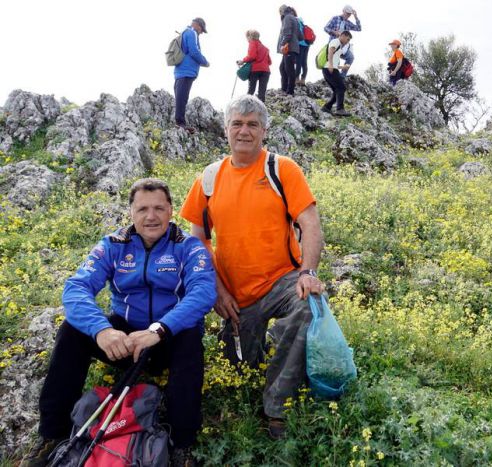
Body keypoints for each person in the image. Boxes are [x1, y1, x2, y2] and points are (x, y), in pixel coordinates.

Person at [20, 179, 217, 467]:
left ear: (171, 210)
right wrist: (102, 331)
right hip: (124, 339)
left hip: (166, 337)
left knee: (189, 340)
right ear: (131, 212)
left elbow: (203, 293)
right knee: (72, 331)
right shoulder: (113, 245)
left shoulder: (188, 247)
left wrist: (158, 330)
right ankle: (52, 434)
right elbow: (76, 288)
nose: (151, 216)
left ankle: (181, 443)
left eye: (159, 208)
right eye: (143, 209)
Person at [179, 95, 325, 440]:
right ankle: (268, 344)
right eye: (237, 124)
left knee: (308, 306)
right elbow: (197, 239)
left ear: (264, 131)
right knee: (240, 368)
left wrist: (308, 273)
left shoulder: (282, 169)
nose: (244, 131)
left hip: (282, 281)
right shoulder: (209, 179)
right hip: (234, 296)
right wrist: (216, 289)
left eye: (252, 125)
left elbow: (311, 224)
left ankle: (277, 409)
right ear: (226, 129)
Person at [174, 17, 210, 133]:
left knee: (181, 97)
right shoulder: (192, 33)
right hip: (187, 71)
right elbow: (194, 51)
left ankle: (180, 122)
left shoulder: (185, 32)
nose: (201, 33)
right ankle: (180, 123)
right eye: (202, 30)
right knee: (182, 97)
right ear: (198, 26)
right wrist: (205, 62)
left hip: (180, 70)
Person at [323, 5, 361, 78]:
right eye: (347, 13)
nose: (348, 15)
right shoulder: (335, 18)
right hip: (334, 46)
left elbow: (359, 28)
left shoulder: (348, 23)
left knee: (350, 57)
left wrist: (356, 17)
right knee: (333, 63)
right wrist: (334, 32)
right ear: (343, 11)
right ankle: (330, 77)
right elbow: (325, 28)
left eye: (350, 14)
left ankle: (342, 76)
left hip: (343, 47)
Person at [321, 31, 352, 117]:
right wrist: (330, 64)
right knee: (341, 88)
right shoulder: (336, 41)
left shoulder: (339, 46)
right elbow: (330, 51)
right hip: (329, 69)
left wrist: (343, 67)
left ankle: (327, 107)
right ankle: (340, 109)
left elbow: (334, 63)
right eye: (347, 39)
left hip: (330, 69)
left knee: (337, 90)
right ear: (343, 36)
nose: (347, 41)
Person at [238, 30, 272, 102]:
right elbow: (269, 62)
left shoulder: (252, 43)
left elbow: (252, 56)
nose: (247, 40)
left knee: (251, 90)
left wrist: (242, 61)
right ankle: (261, 110)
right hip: (266, 71)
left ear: (250, 36)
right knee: (262, 92)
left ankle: (247, 107)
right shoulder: (265, 48)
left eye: (247, 37)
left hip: (255, 69)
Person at [277, 5, 303, 95]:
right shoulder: (294, 18)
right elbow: (301, 36)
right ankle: (284, 88)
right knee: (283, 68)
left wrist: (282, 44)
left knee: (289, 69)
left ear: (281, 11)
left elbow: (287, 34)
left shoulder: (287, 18)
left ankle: (290, 91)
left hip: (289, 48)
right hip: (293, 47)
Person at [294, 10, 310, 86]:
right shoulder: (302, 22)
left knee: (298, 62)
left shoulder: (296, 21)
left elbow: (298, 34)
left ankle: (297, 78)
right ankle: (303, 79)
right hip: (307, 44)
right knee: (304, 62)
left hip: (300, 44)